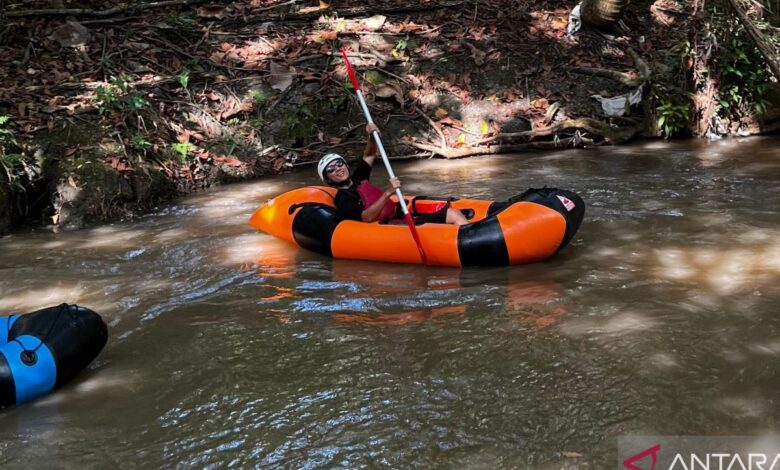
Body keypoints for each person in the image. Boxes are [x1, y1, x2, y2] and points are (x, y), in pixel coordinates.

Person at [317, 124, 469, 225]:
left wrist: (372, 136)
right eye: (331, 170)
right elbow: (367, 218)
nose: (337, 169)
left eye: (339, 164)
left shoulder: (358, 178)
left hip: (398, 215)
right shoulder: (343, 199)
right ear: (328, 180)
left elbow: (369, 155)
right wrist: (388, 192)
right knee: (453, 217)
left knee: (452, 213)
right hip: (389, 226)